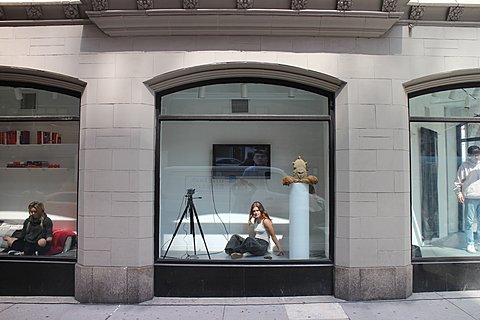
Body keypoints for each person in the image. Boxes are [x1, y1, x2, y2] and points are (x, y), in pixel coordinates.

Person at [454, 145, 480, 253]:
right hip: (470, 197)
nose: (477, 157)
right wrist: (458, 192)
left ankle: (478, 243)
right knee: (469, 222)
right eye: (474, 155)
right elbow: (457, 182)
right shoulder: (464, 166)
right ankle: (470, 243)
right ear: (470, 155)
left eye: (478, 154)